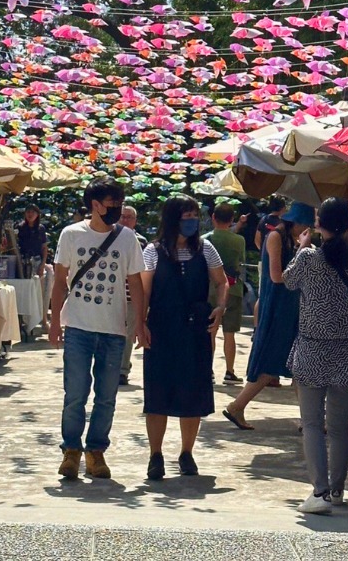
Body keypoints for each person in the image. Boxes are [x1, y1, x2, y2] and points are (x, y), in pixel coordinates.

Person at [50, 177, 146, 480]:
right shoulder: (71, 235)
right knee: (75, 394)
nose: (116, 209)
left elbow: (136, 283)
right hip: (78, 326)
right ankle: (71, 450)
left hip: (114, 329)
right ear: (94, 205)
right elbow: (59, 281)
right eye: (111, 204)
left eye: (119, 203)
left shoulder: (127, 238)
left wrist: (140, 323)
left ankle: (96, 451)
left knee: (107, 396)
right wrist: (54, 321)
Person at [284, 197, 348, 514]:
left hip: (312, 348)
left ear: (318, 224)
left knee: (311, 424)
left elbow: (287, 281)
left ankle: (318, 492)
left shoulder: (307, 258)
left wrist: (301, 246)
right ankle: (336, 490)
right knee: (338, 427)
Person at [141, 195, 227, 480]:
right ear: (172, 219)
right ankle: (156, 455)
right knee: (158, 393)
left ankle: (187, 452)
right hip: (162, 327)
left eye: (194, 216)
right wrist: (140, 323)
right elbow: (143, 289)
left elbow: (221, 280)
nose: (191, 222)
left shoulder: (206, 248)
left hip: (195, 328)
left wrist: (221, 306)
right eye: (186, 216)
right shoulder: (153, 251)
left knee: (193, 391)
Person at [223, 203, 312, 429]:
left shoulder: (290, 239)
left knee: (296, 363)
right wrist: (302, 251)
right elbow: (277, 276)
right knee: (275, 361)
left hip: (290, 306)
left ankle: (308, 419)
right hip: (277, 306)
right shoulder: (276, 237)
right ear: (297, 222)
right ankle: (237, 406)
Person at [205, 203, 247, 383]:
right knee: (230, 333)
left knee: (210, 332)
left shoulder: (204, 240)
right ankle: (230, 371)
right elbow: (241, 261)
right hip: (233, 289)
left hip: (208, 289)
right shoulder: (239, 240)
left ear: (213, 217)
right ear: (231, 220)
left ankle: (208, 370)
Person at [118, 204, 148, 386]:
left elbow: (143, 271)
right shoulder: (110, 237)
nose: (125, 220)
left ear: (135, 221)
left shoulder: (141, 241)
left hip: (131, 296)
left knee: (128, 334)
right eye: (122, 216)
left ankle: (122, 370)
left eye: (129, 217)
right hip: (113, 295)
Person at [17, 204, 49, 278]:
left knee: (38, 286)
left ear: (37, 214)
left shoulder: (41, 229)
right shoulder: (20, 227)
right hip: (23, 261)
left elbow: (44, 247)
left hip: (37, 260)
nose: (30, 214)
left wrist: (42, 264)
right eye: (28, 212)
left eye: (33, 212)